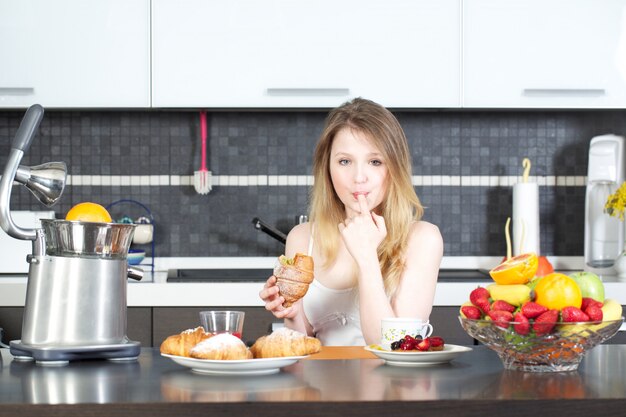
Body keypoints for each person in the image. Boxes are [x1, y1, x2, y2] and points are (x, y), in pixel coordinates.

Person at [259, 97, 443, 346]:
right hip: (319, 385)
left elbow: (396, 346)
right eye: (345, 161)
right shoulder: (302, 238)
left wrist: (366, 258)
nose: (359, 177)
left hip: (393, 385)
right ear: (328, 168)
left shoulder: (423, 239)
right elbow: (302, 345)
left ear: (395, 168)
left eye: (375, 162)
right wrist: (291, 313)